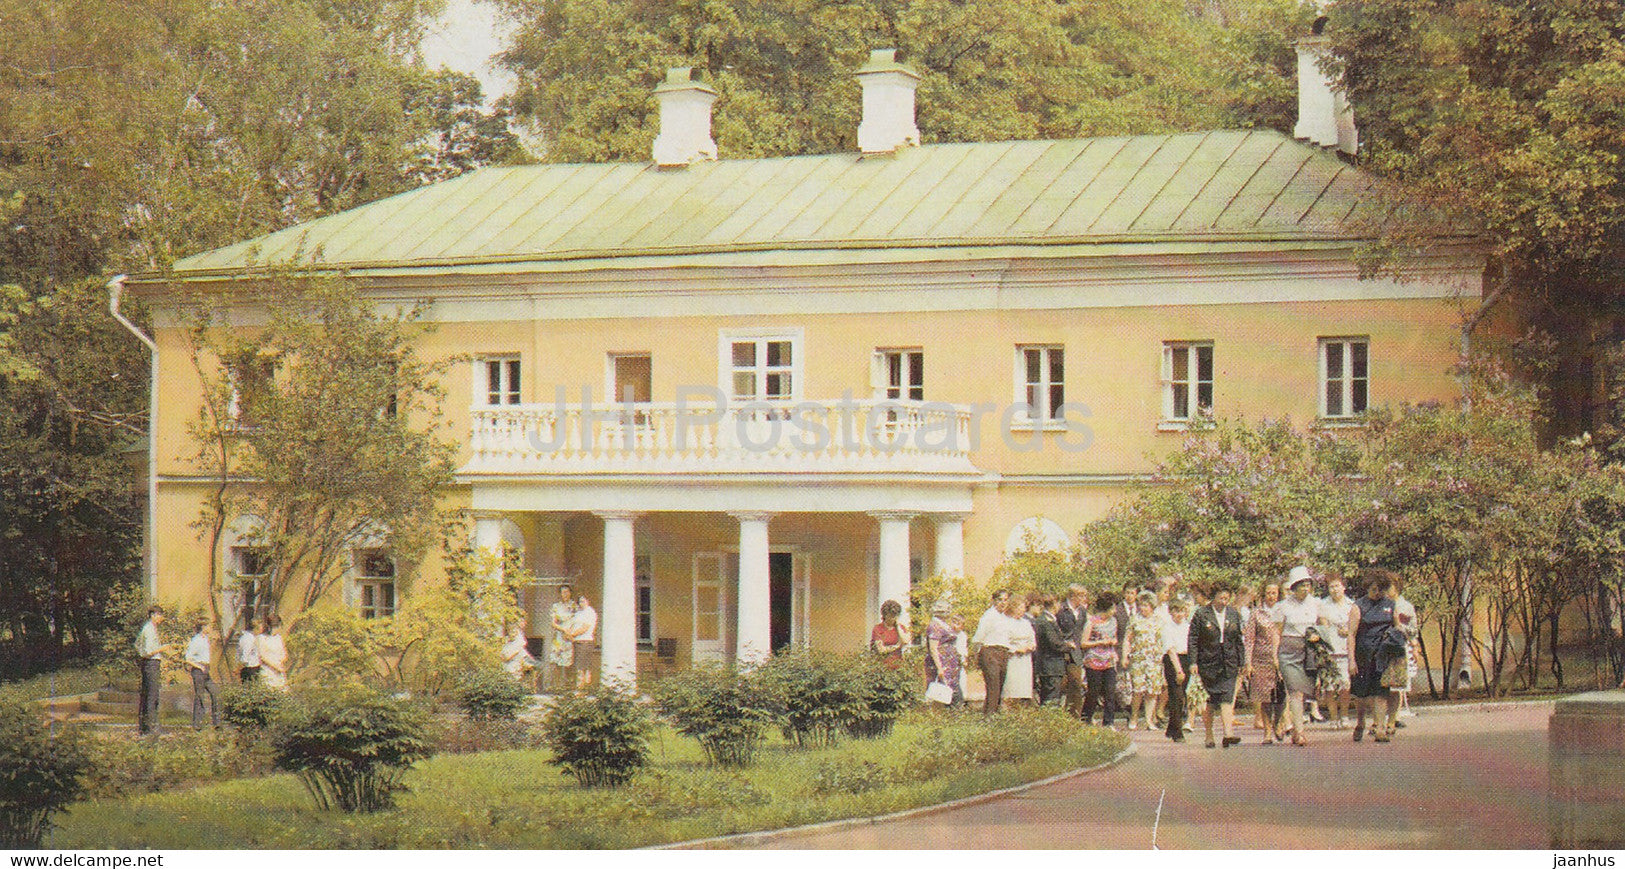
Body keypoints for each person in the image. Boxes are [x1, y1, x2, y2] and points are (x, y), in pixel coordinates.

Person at [1189, 582, 1247, 748]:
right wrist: (1193, 662)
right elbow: (1193, 640)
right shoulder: (1201, 614)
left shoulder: (1233, 614)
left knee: (1227, 698)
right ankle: (1209, 735)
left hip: (1229, 661)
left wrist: (1242, 661)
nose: (1224, 601)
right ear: (1213, 597)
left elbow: (1238, 640)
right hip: (1208, 662)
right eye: (1221, 598)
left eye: (1227, 598)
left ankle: (1228, 734)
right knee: (1210, 701)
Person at [1349, 569, 1402, 742]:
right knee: (1362, 694)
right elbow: (1351, 634)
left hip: (1383, 655)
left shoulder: (1390, 604)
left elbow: (1398, 627)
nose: (1377, 592)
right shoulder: (1359, 606)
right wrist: (1351, 660)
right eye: (1374, 589)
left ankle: (1380, 728)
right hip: (1363, 654)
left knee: (1381, 692)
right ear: (1368, 587)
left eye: (1380, 589)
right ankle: (1360, 722)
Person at [1273, 569, 1322, 746]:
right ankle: (1299, 731)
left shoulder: (1316, 604)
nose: (1305, 588)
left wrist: (1319, 637)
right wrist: (1275, 655)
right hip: (1288, 650)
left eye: (1308, 585)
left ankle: (1286, 723)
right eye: (1301, 585)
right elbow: (1277, 632)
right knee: (1295, 691)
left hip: (1309, 650)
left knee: (1306, 691)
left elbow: (1323, 625)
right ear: (1293, 587)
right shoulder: (1283, 606)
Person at [1246, 581, 1284, 743]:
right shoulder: (1256, 613)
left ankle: (1279, 723)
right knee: (1265, 697)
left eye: (1274, 593)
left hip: (1282, 657)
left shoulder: (1284, 611)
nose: (1271, 596)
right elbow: (1249, 639)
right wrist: (1248, 663)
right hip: (1261, 659)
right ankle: (1267, 732)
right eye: (1268, 592)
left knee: (1282, 695)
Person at [1318, 574, 1357, 729]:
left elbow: (1354, 626)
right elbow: (1323, 624)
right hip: (1329, 650)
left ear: (1343, 587)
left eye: (1337, 586)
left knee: (1345, 686)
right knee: (1329, 686)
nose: (1334, 590)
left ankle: (1345, 716)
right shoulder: (1323, 605)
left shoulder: (1351, 605)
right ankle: (1333, 718)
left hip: (1345, 650)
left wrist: (1348, 630)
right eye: (1331, 587)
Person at [970, 589, 1017, 716]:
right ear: (994, 601)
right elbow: (979, 637)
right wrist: (976, 656)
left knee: (1000, 685)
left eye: (1005, 600)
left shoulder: (1004, 618)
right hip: (990, 652)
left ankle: (993, 713)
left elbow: (1007, 638)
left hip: (1003, 653)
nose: (1003, 603)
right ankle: (989, 716)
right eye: (1000, 600)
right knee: (993, 685)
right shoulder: (989, 616)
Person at [1080, 591, 1122, 728]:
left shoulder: (1113, 621)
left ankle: (1108, 722)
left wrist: (1112, 641)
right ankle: (1086, 717)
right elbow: (1083, 643)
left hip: (1109, 659)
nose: (1115, 611)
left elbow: (1115, 637)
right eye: (1113, 608)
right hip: (1094, 660)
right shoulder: (1091, 622)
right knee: (1094, 691)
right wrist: (1099, 643)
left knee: (1110, 691)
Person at [1125, 591, 1165, 730]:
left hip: (1154, 660)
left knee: (1152, 691)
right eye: (1141, 605)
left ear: (1152, 607)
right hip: (1138, 659)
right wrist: (1125, 655)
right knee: (1138, 690)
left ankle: (1149, 720)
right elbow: (1127, 639)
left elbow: (1162, 641)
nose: (1143, 608)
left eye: (1146, 605)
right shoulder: (1134, 619)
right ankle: (1134, 716)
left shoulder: (1159, 621)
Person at [1055, 584, 1090, 716]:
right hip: (1061, 652)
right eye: (1081, 595)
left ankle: (1073, 716)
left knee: (1076, 683)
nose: (1084, 598)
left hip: (1076, 653)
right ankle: (1057, 715)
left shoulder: (1082, 611)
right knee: (1061, 685)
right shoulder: (1061, 609)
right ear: (1072, 596)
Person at [135, 605, 170, 735]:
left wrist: (142, 654)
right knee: (152, 695)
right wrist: (163, 648)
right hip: (151, 664)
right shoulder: (149, 629)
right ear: (153, 615)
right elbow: (149, 651)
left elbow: (137, 644)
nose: (162, 618)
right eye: (160, 615)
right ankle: (151, 727)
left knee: (147, 695)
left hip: (148, 663)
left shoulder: (149, 628)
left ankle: (144, 727)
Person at [1161, 598, 1192, 742]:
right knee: (1177, 696)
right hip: (1173, 661)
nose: (1179, 614)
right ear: (1171, 612)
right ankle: (1178, 732)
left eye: (1182, 611)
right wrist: (1179, 670)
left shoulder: (1187, 626)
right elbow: (1171, 650)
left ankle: (1171, 728)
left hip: (1186, 659)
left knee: (1181, 697)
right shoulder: (1168, 627)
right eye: (1176, 611)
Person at [925, 600, 963, 707]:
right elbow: (933, 648)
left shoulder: (943, 624)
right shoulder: (935, 626)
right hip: (942, 663)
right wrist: (939, 667)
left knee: (951, 689)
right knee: (941, 690)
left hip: (950, 663)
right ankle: (941, 714)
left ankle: (951, 713)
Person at [1034, 594, 1069, 705]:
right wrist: (1068, 646)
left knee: (1051, 695)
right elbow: (1054, 643)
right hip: (1050, 665)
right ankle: (1049, 718)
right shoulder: (1045, 621)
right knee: (1051, 696)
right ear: (1055, 604)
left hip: (1051, 665)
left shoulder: (1048, 619)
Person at [184, 621, 220, 729]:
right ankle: (197, 724)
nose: (210, 628)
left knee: (215, 692)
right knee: (200, 696)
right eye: (209, 626)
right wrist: (199, 666)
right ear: (203, 627)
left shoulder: (205, 639)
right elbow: (188, 659)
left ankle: (216, 722)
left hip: (206, 670)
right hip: (198, 671)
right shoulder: (196, 640)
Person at [1002, 595, 1037, 706]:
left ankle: (1020, 710)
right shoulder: (1006, 622)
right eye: (1021, 608)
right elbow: (1004, 642)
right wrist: (1016, 649)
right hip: (1013, 659)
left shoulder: (1026, 623)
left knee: (1023, 689)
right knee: (1011, 688)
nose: (1023, 610)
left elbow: (1032, 638)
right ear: (1014, 607)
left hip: (1025, 659)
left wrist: (1030, 646)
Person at [870, 599, 912, 669]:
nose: (893, 618)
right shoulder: (878, 629)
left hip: (898, 665)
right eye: (891, 616)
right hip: (881, 666)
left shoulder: (901, 628)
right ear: (885, 615)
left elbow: (906, 640)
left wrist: (898, 626)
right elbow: (881, 649)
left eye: (895, 616)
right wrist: (897, 646)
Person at [570, 593, 599, 689]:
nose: (581, 603)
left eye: (583, 601)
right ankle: (579, 687)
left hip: (585, 642)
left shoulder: (590, 612)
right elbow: (573, 625)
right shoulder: (578, 613)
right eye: (579, 602)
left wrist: (572, 634)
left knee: (583, 668)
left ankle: (583, 689)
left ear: (587, 601)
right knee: (578, 667)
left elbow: (585, 627)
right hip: (576, 641)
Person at [256, 615, 288, 690]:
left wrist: (283, 659)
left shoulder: (278, 638)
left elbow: (283, 652)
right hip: (268, 671)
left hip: (279, 670)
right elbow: (262, 656)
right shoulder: (261, 638)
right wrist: (276, 667)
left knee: (282, 692)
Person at [502, 621, 537, 688]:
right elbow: (505, 657)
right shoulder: (507, 643)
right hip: (509, 664)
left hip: (516, 663)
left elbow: (520, 653)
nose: (513, 634)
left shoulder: (518, 642)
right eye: (511, 632)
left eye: (515, 632)